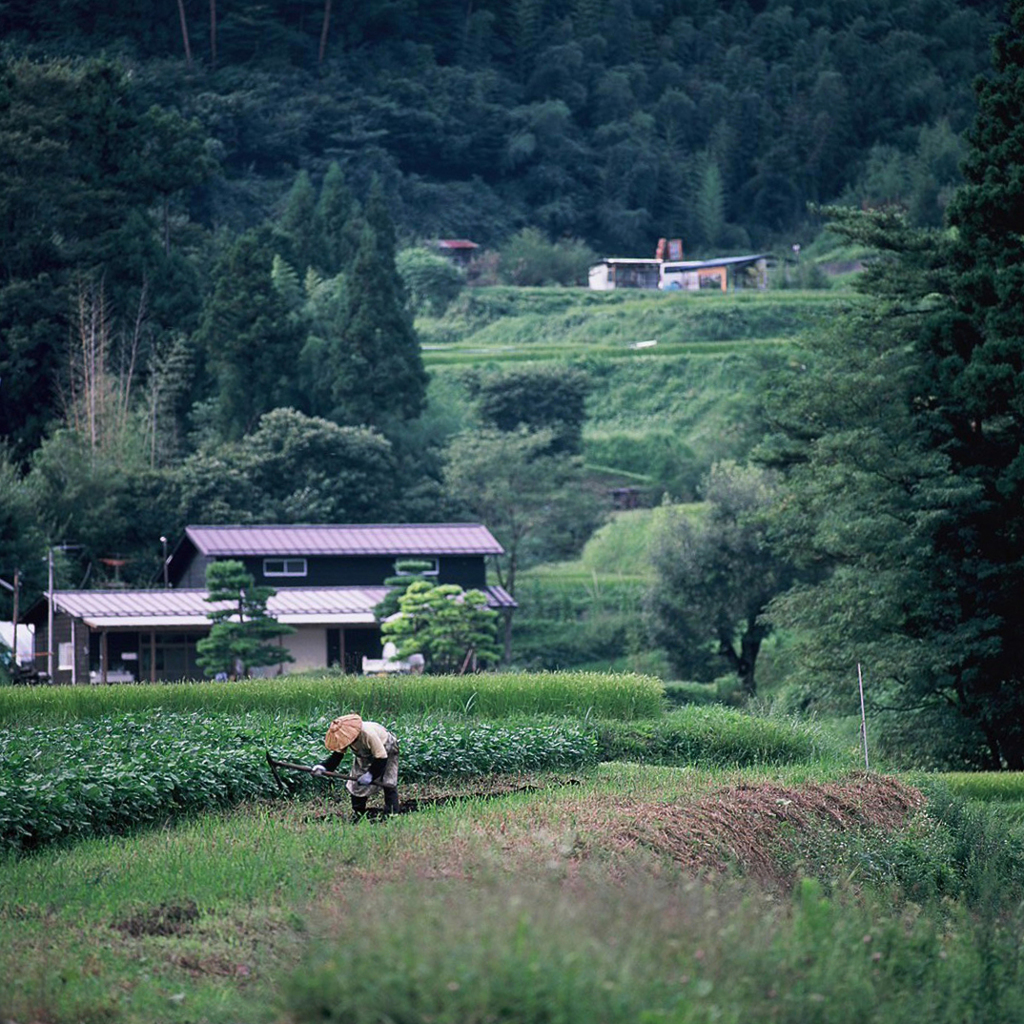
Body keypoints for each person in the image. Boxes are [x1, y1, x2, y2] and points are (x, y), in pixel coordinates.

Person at [311, 713, 400, 819]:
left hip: (386, 748)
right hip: (364, 754)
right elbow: (337, 756)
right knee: (356, 784)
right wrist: (324, 767)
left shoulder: (368, 734)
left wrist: (370, 775)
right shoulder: (344, 736)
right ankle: (359, 813)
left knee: (388, 781)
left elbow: (381, 757)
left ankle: (392, 813)